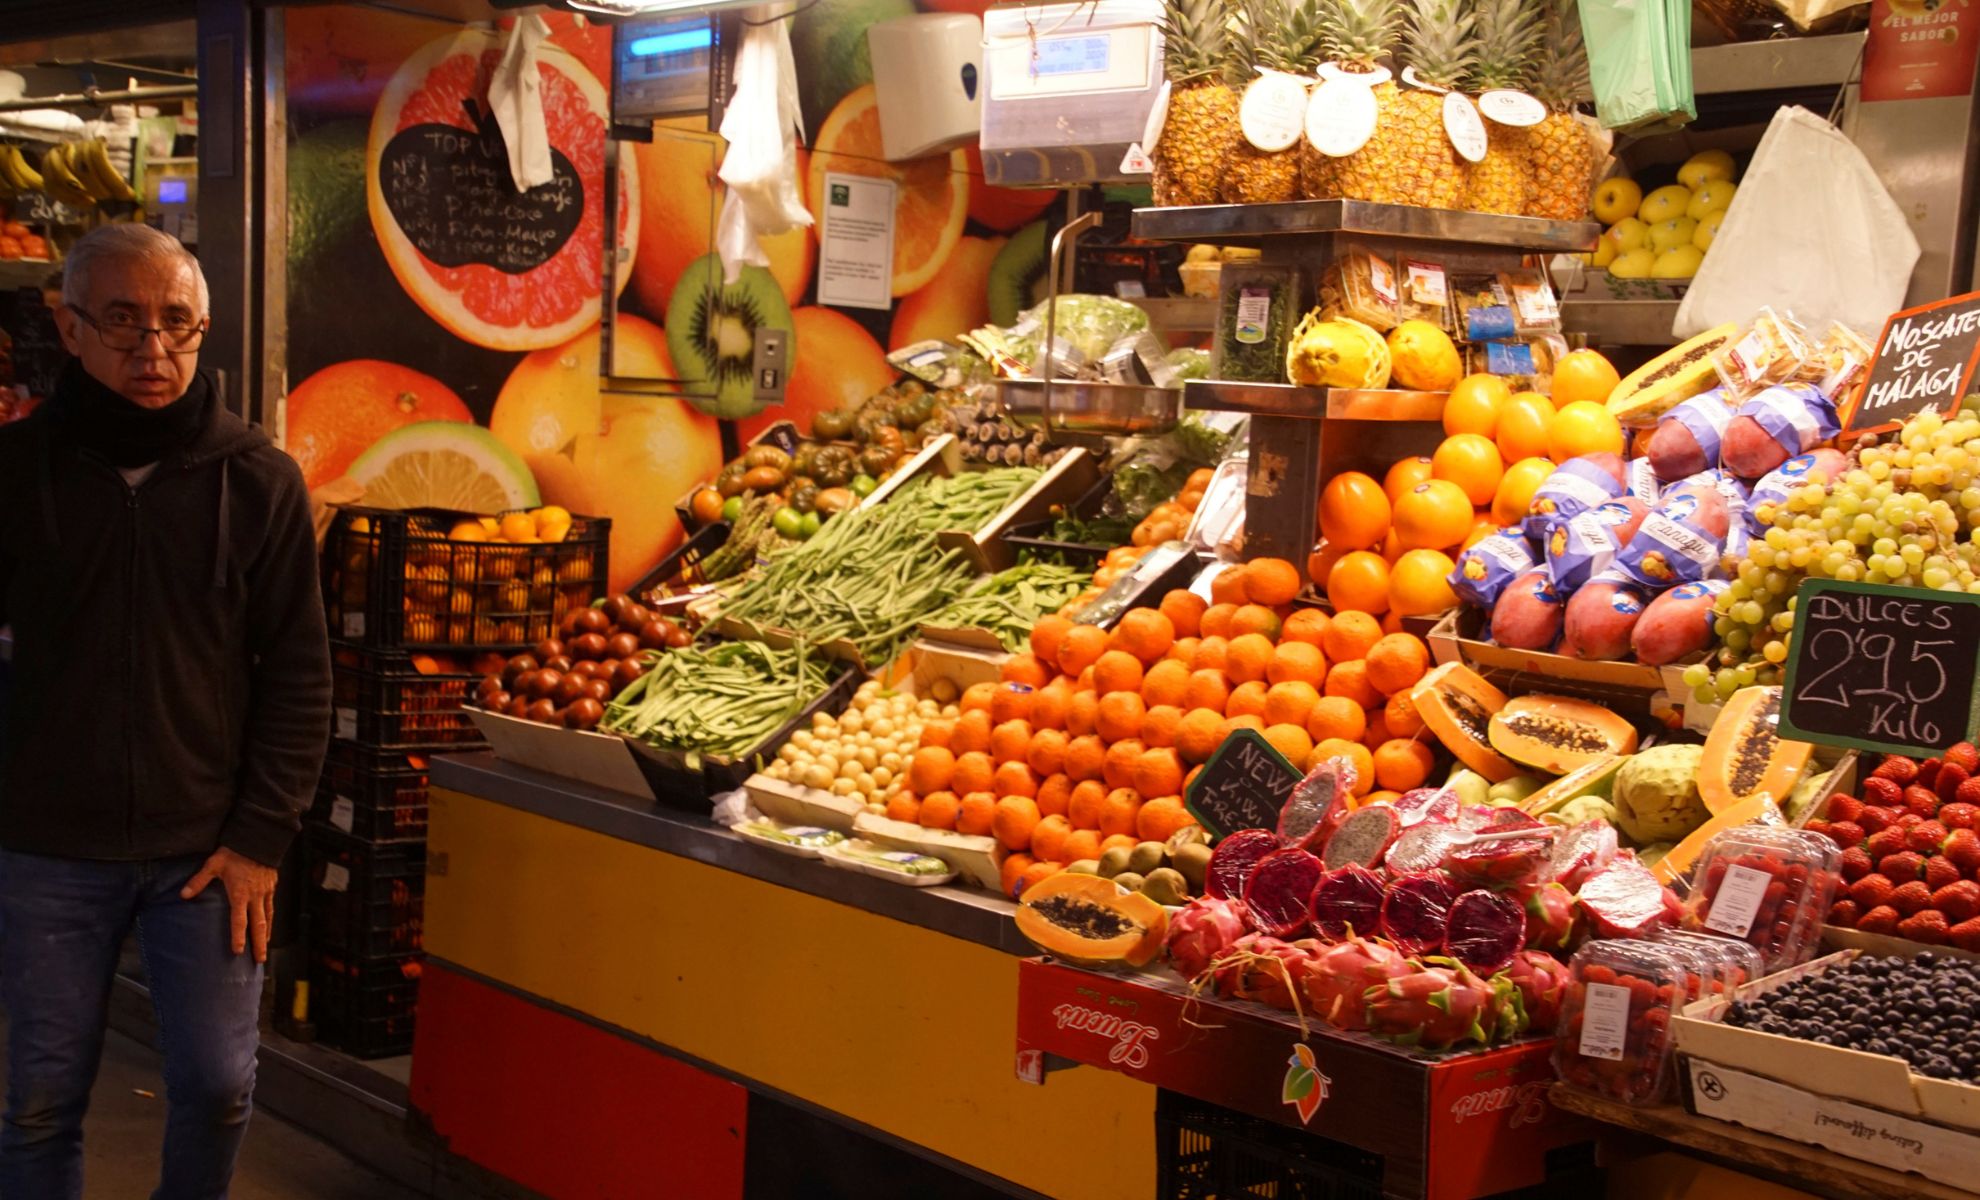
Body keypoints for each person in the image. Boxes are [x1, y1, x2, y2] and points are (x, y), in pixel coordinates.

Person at [0, 223, 331, 1198]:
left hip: (208, 853)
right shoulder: (13, 476)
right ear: (68, 330)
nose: (155, 350)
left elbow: (300, 676)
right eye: (123, 322)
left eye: (177, 324)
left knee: (220, 1086)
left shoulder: (258, 481)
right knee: (39, 1101)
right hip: (46, 849)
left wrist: (263, 837)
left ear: (206, 326)